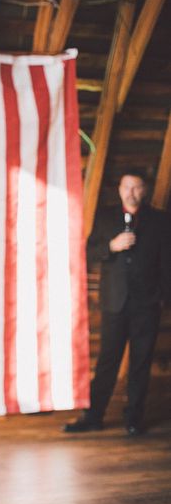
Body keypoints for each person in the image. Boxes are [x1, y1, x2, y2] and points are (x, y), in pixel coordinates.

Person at [64, 170, 171, 436]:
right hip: (114, 302)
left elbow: (167, 263)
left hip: (147, 305)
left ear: (143, 190)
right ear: (120, 189)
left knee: (140, 363)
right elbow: (89, 251)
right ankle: (94, 416)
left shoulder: (160, 220)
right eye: (127, 187)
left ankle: (134, 418)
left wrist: (163, 299)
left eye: (136, 187)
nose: (131, 192)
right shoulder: (105, 216)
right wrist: (111, 246)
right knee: (107, 362)